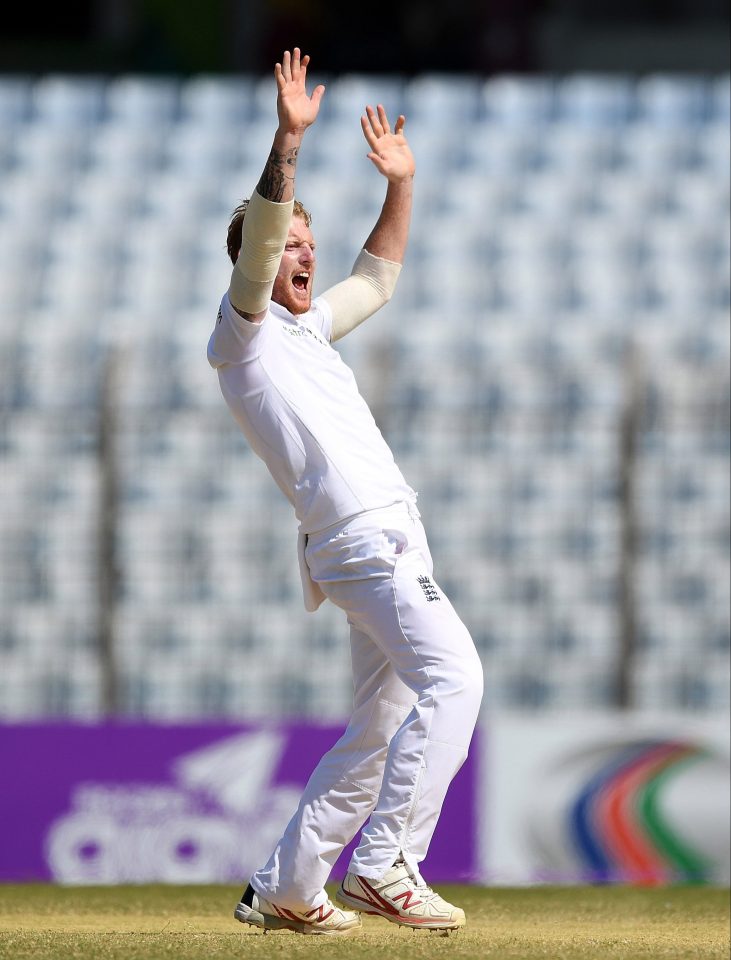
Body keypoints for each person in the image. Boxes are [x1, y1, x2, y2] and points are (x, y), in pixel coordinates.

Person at [207, 48, 483, 936]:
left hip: (383, 537)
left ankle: (288, 886)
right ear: (252, 256)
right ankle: (387, 861)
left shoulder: (308, 330)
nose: (303, 251)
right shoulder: (242, 337)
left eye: (306, 241)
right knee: (456, 678)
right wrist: (288, 138)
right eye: (287, 241)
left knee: (378, 727)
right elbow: (261, 237)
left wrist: (400, 186)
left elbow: (376, 279)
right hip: (364, 539)